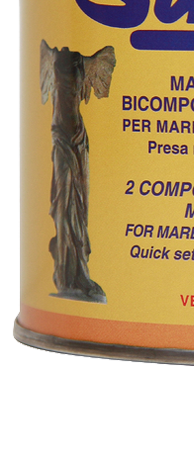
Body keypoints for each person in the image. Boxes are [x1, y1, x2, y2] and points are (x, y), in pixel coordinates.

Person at [40, 40, 116, 303]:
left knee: (80, 205)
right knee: (64, 204)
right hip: (62, 139)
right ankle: (66, 272)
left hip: (78, 139)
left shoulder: (82, 63)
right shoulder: (54, 58)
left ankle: (79, 271)